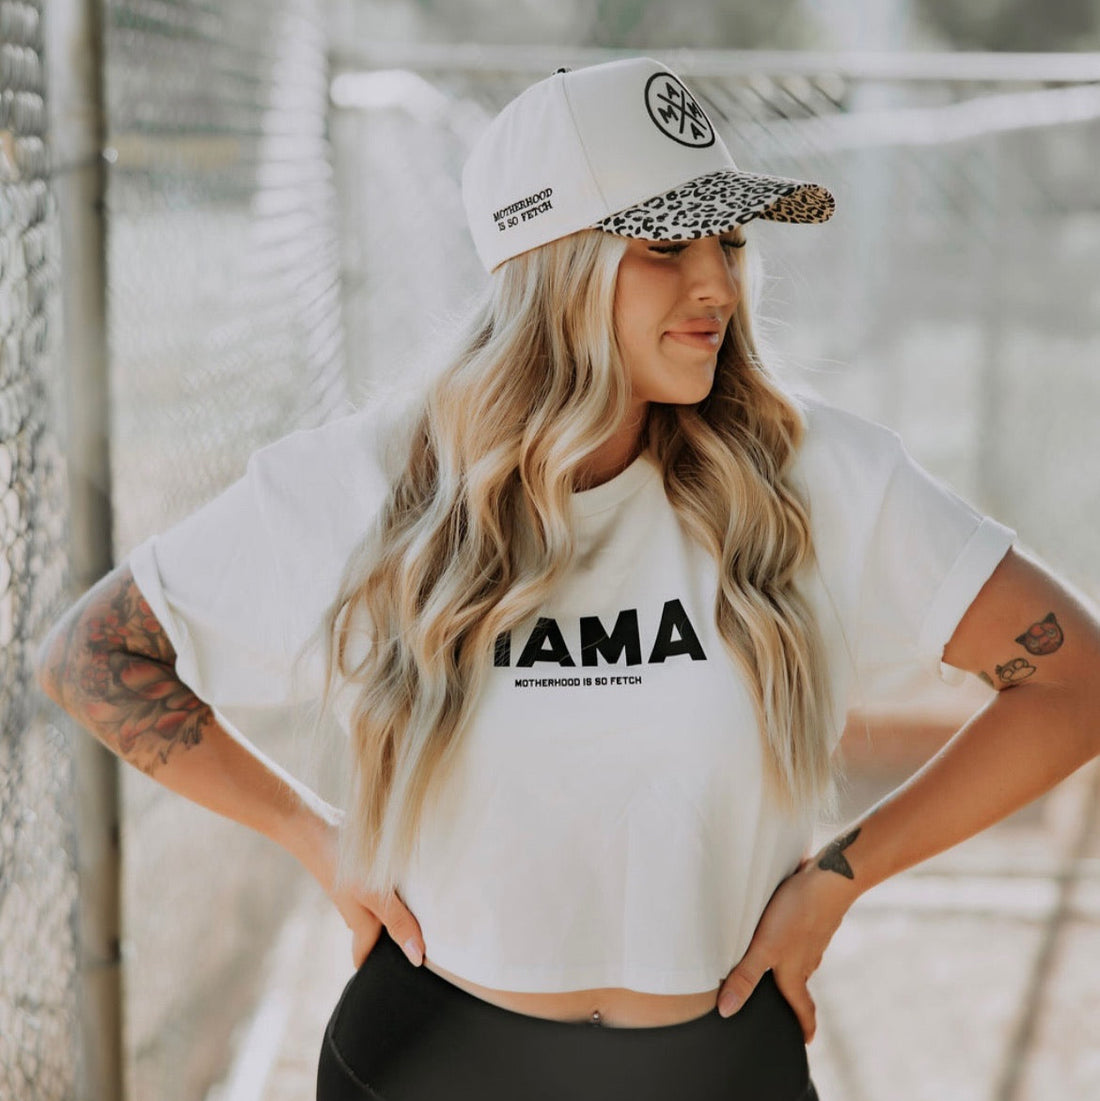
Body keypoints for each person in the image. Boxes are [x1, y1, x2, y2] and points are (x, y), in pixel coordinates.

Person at [34, 57, 1100, 1101]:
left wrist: (837, 879)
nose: (716, 285)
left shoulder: (809, 477)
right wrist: (319, 840)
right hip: (430, 1062)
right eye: (667, 242)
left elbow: (1072, 678)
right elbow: (94, 655)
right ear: (550, 264)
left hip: (718, 1060)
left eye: (728, 241)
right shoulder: (368, 484)